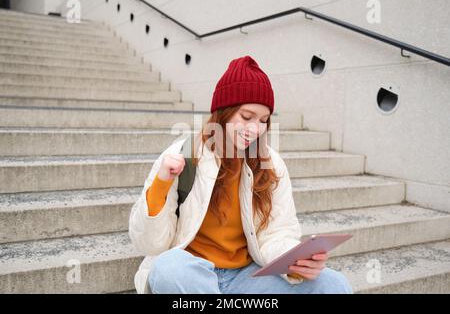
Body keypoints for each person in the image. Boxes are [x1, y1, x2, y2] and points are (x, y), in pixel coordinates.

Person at [128, 55, 353, 294]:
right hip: (192, 275)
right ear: (223, 113)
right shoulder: (183, 155)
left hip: (245, 278)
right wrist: (162, 184)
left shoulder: (271, 165)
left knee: (333, 284)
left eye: (264, 120)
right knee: (168, 267)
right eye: (246, 117)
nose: (256, 129)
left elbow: (278, 233)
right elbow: (150, 244)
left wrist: (293, 260)